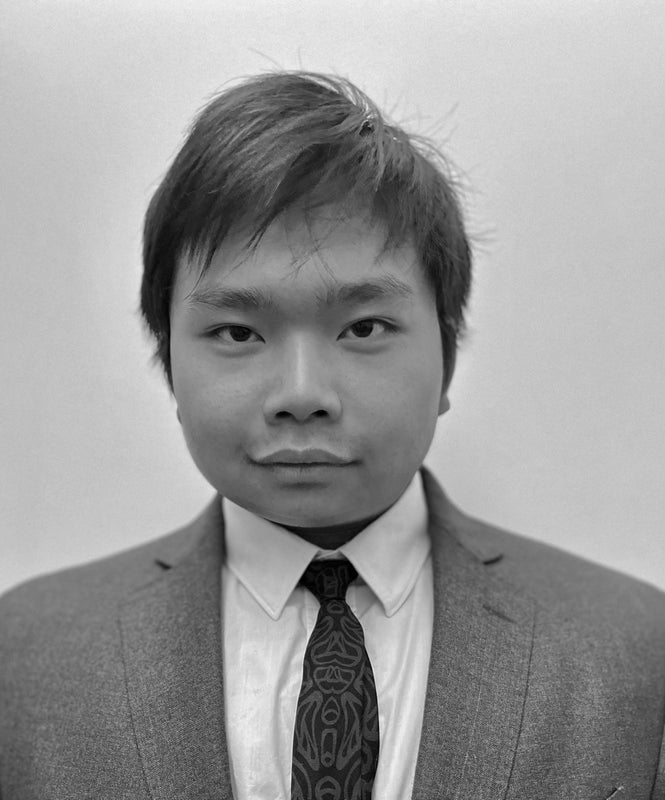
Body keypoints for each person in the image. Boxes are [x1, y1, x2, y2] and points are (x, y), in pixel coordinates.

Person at [1, 69, 664, 800]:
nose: (301, 395)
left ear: (446, 356)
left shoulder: (636, 648)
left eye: (364, 327)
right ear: (168, 362)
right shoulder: (25, 654)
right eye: (238, 332)